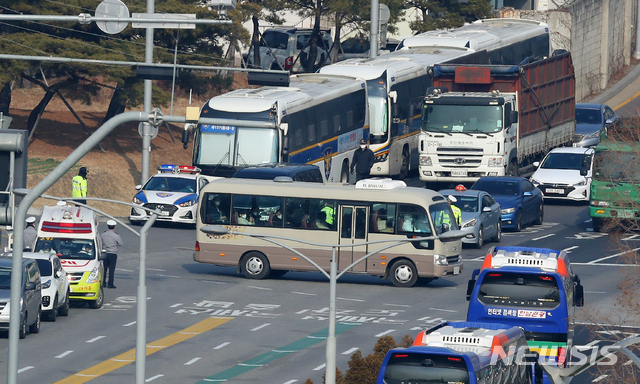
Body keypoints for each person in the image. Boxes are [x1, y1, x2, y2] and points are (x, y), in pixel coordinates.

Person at [101, 220, 123, 289]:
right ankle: (110, 284)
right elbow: (120, 244)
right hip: (113, 253)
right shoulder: (116, 235)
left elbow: (100, 242)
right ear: (114, 227)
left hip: (104, 253)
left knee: (104, 269)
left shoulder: (103, 234)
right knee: (111, 269)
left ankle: (103, 283)